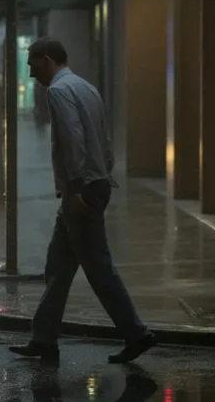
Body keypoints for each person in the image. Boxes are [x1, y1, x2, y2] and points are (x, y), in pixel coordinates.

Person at [9, 38, 157, 364]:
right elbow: (103, 141)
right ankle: (44, 339)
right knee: (58, 266)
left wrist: (76, 189)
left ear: (47, 60)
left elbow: (73, 141)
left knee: (98, 267)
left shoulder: (59, 92)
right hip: (94, 183)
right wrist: (101, 175)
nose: (33, 75)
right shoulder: (86, 88)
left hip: (82, 190)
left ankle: (136, 333)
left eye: (34, 67)